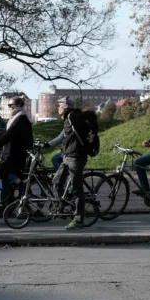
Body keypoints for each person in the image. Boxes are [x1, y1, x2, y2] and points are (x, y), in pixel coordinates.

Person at [51, 97, 91, 230]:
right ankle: (61, 207)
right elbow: (66, 137)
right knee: (56, 182)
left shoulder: (73, 116)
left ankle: (79, 219)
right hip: (68, 157)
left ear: (65, 107)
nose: (58, 108)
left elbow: (81, 134)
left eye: (59, 105)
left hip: (76, 157)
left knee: (77, 189)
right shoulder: (68, 118)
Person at [0, 96, 33, 208]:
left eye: (10, 105)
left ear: (18, 105)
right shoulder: (16, 118)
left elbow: (10, 134)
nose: (9, 107)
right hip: (15, 153)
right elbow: (6, 133)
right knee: (6, 177)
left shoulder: (21, 119)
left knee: (2, 170)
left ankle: (21, 184)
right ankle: (8, 204)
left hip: (20, 155)